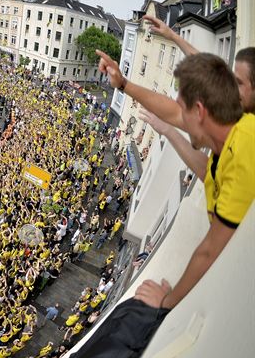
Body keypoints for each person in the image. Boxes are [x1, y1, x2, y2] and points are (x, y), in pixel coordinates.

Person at [96, 48, 255, 311]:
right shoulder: (230, 140)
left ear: (201, 112)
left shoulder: (246, 144)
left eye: (184, 111)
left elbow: (211, 249)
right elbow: (209, 172)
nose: (178, 117)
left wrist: (166, 301)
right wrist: (124, 85)